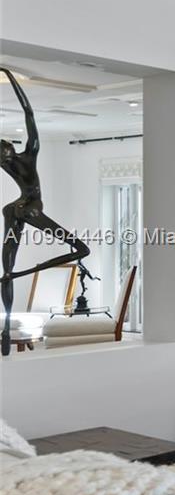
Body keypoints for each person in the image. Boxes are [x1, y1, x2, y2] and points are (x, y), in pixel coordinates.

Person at [2, 68, 95, 355]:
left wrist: (11, 78)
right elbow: (28, 115)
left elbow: (29, 114)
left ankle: (6, 327)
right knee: (81, 249)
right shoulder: (15, 159)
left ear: (9, 149)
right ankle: (6, 327)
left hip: (20, 209)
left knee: (9, 271)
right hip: (26, 209)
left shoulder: (26, 155)